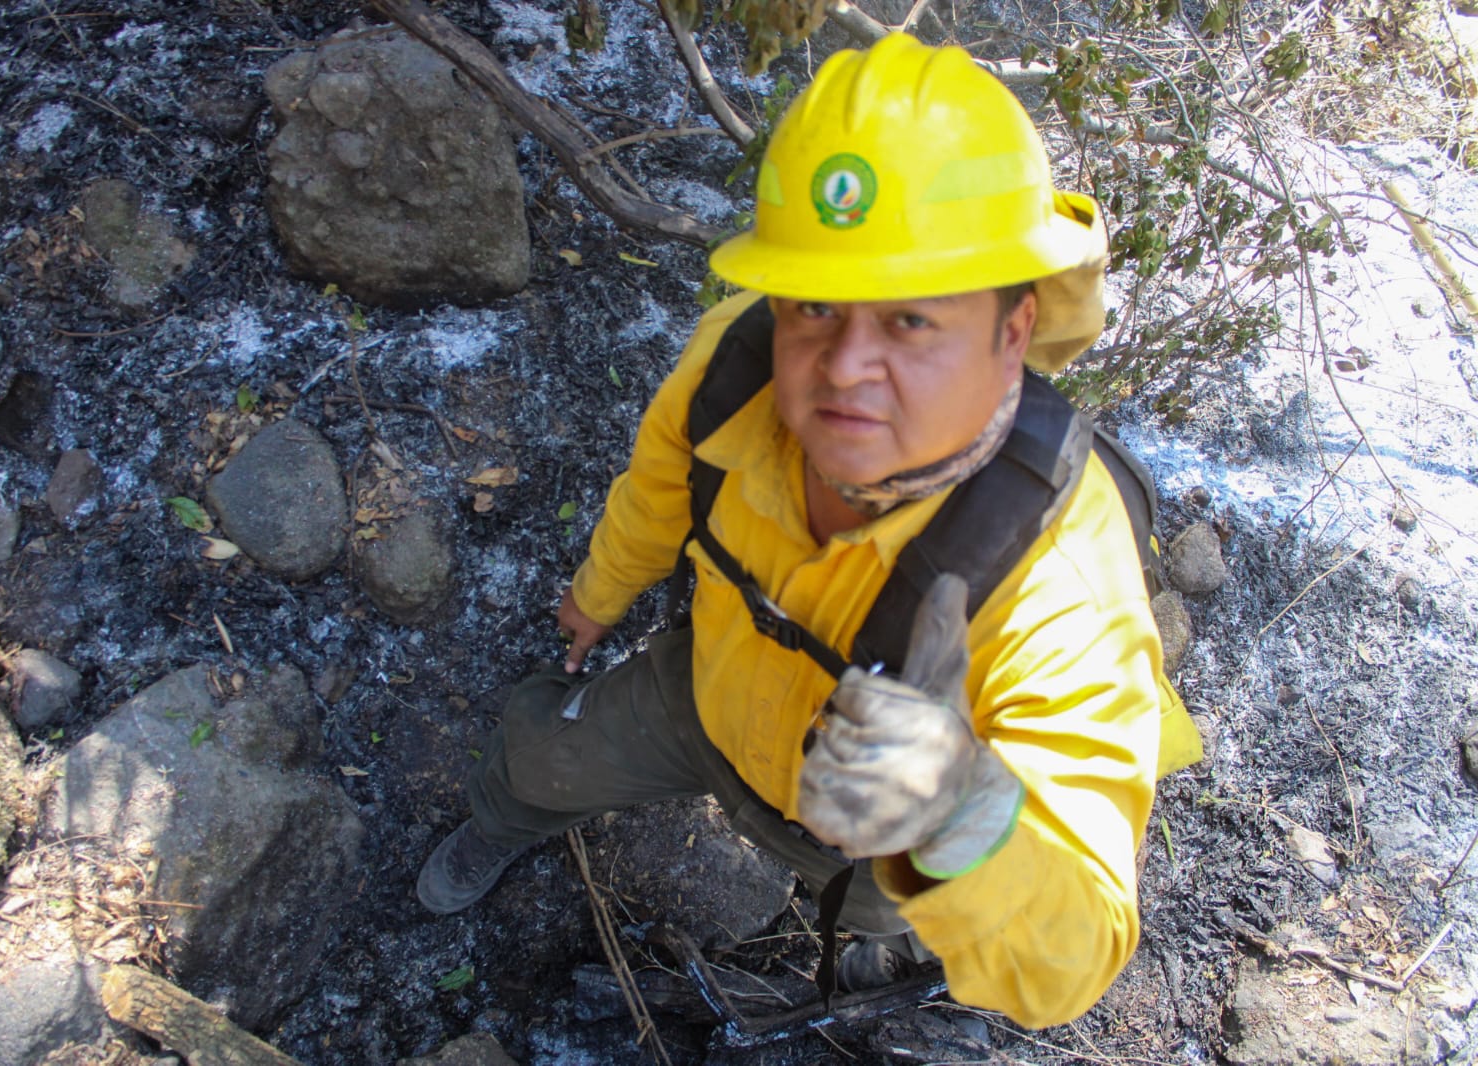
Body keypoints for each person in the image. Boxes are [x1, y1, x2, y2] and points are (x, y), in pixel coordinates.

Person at [417, 33, 1202, 1029]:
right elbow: (659, 490)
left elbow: (1075, 954)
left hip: (867, 825)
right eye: (817, 308)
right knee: (536, 757)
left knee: (878, 904)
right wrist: (597, 596)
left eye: (911, 320)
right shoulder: (734, 368)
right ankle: (502, 822)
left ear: (1014, 328)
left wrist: (955, 815)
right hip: (704, 695)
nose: (842, 368)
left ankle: (872, 925)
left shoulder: (1058, 577)